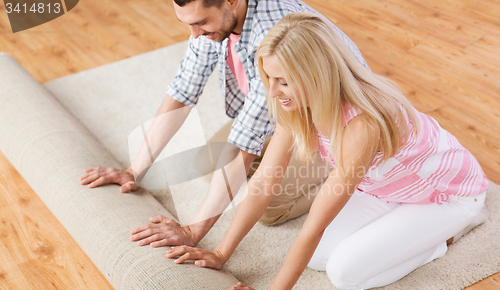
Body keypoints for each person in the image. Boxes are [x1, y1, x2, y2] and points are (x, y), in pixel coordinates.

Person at [165, 12, 490, 290]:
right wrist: (221, 253)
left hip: (447, 195)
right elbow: (265, 180)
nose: (273, 91)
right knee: (318, 258)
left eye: (283, 81)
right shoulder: (293, 104)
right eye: (269, 78)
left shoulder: (362, 125)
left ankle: (448, 234)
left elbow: (316, 223)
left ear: (315, 76)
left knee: (345, 274)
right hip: (384, 187)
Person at [80, 0, 368, 247]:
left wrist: (193, 231)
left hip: (332, 129)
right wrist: (134, 170)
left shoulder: (270, 33)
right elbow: (183, 90)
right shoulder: (215, 24)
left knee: (271, 207)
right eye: (188, 23)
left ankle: (351, 179)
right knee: (212, 164)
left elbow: (244, 143)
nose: (194, 34)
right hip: (283, 115)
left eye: (201, 22)